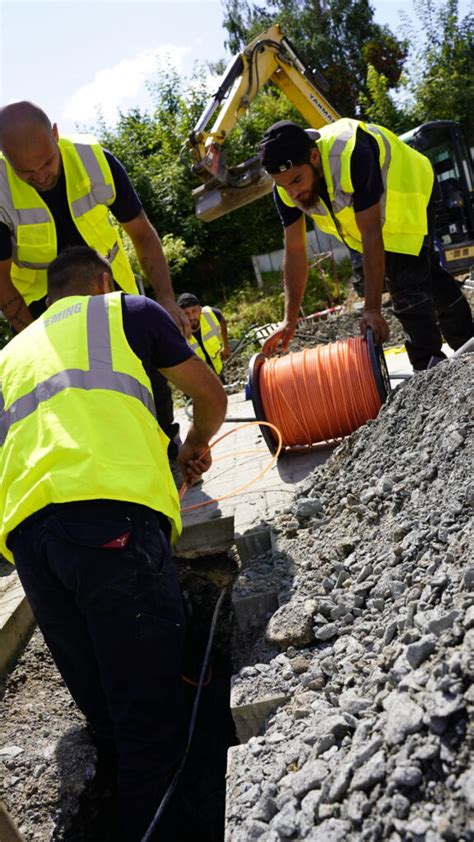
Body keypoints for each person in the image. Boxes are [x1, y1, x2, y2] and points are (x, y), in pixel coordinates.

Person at [0, 245, 227, 841]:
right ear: (102, 280)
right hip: (111, 523)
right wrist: (192, 449)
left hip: (31, 544)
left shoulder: (8, 356)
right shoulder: (127, 310)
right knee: (149, 722)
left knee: (107, 715)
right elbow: (211, 396)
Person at [0, 100, 189, 444]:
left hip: (110, 288)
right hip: (43, 309)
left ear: (56, 134)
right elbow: (1, 282)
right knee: (70, 391)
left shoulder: (94, 160)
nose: (41, 176)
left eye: (47, 163)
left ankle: (167, 447)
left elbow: (143, 234)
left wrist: (165, 299)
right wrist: (32, 338)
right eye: (26, 172)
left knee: (146, 367)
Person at [258, 119, 473, 370]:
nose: (292, 192)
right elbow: (295, 250)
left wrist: (372, 309)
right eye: (284, 185)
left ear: (314, 156)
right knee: (427, 275)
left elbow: (372, 233)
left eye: (296, 180)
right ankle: (468, 346)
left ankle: (429, 368)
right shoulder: (285, 189)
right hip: (382, 217)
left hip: (412, 191)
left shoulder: (351, 153)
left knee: (404, 282)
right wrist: (290, 319)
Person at [177, 292, 231, 380]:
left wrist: (226, 346)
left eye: (194, 311)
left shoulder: (211, 314)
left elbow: (221, 320)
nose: (191, 317)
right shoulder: (177, 329)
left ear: (200, 309)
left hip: (217, 370)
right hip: (195, 379)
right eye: (186, 313)